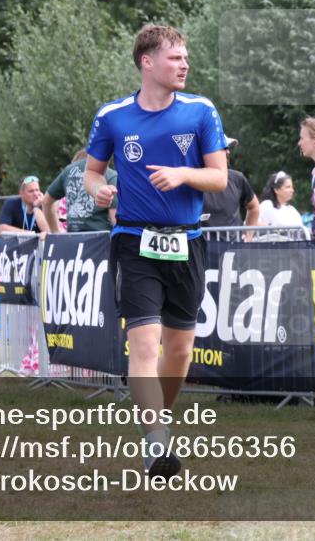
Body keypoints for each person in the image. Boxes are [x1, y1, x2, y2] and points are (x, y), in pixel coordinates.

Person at [84, 24, 227, 478]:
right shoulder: (113, 116)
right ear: (147, 62)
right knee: (145, 343)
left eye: (185, 57)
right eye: (175, 58)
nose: (185, 65)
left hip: (187, 241)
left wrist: (183, 174)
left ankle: (156, 422)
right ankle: (157, 441)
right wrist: (98, 190)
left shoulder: (201, 111)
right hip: (134, 240)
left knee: (180, 352)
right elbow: (91, 171)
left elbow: (219, 177)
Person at [42, 149, 117, 233]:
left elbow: (46, 201)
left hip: (73, 237)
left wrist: (55, 231)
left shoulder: (68, 171)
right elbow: (115, 218)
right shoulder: (111, 175)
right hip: (101, 237)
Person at [202, 136, 260, 234]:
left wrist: (248, 235)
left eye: (228, 148)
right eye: (223, 148)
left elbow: (254, 207)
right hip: (201, 243)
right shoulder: (191, 178)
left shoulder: (237, 178)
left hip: (234, 243)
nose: (228, 152)